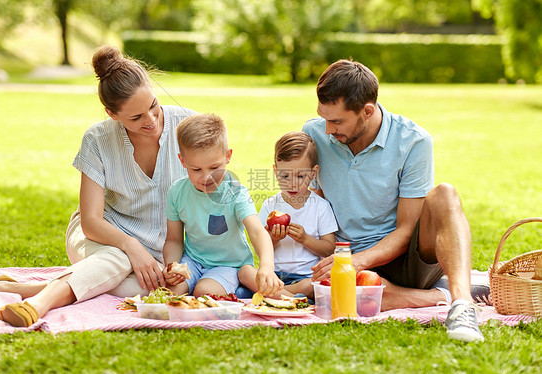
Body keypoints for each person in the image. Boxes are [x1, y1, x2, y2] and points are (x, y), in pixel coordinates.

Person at [0, 45, 195, 327]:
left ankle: (12, 288)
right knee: (119, 260)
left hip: (161, 248)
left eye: (153, 106)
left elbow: (212, 194)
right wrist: (131, 246)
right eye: (136, 117)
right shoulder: (97, 139)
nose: (151, 120)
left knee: (149, 287)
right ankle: (36, 304)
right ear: (112, 114)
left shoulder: (189, 125)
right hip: (99, 236)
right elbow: (91, 222)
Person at [303, 59, 484, 342]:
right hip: (344, 260)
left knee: (445, 193)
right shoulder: (313, 134)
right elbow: (316, 206)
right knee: (349, 294)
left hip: (405, 259)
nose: (327, 130)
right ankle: (435, 296)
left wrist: (358, 260)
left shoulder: (413, 141)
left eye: (337, 121)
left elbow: (405, 230)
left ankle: (462, 305)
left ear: (367, 111)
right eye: (324, 118)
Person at [162, 113, 283, 297]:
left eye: (214, 167)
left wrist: (266, 266)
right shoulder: (177, 192)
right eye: (196, 169)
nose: (206, 177)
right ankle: (240, 292)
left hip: (228, 265)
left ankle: (239, 289)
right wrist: (172, 266)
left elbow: (257, 231)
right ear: (182, 161)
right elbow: (173, 240)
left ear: (228, 156)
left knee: (204, 292)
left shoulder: (236, 192)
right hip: (192, 261)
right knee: (168, 294)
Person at [241, 132, 337, 299]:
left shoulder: (320, 206)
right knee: (245, 272)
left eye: (300, 176)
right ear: (276, 171)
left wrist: (305, 239)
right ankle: (290, 298)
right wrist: (274, 239)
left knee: (312, 285)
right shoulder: (270, 206)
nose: (292, 183)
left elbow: (330, 248)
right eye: (285, 175)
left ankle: (274, 295)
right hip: (273, 275)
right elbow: (260, 250)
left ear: (313, 174)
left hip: (305, 277)